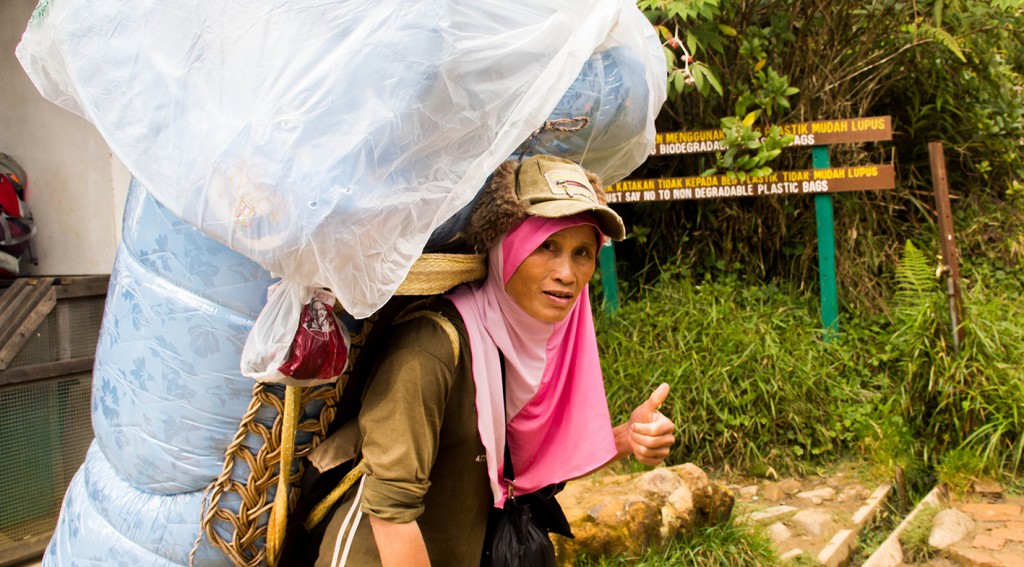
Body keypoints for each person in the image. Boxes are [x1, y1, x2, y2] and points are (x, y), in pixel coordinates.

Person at [304, 155, 676, 567]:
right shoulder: (431, 349)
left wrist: (625, 439)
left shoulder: (539, 348)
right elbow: (390, 513)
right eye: (546, 245)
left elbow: (527, 468)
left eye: (582, 252)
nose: (567, 273)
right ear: (506, 246)